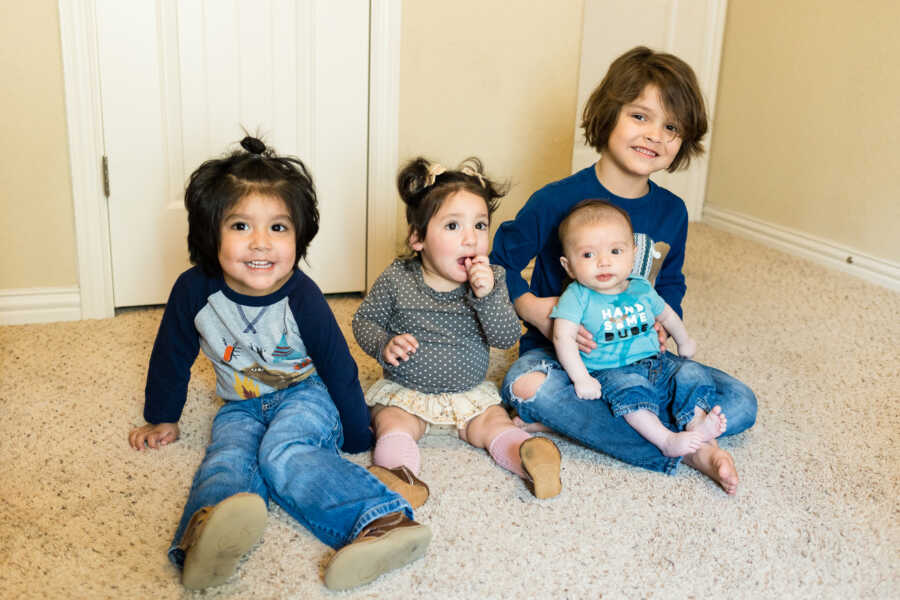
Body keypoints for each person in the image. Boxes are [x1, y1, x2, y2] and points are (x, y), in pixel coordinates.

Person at [128, 137, 431, 592]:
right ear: (209, 233)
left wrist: (355, 434)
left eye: (278, 228)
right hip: (239, 404)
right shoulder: (193, 291)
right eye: (240, 226)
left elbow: (337, 364)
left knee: (283, 452)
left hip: (305, 394)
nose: (260, 244)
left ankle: (382, 519)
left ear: (300, 236)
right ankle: (204, 537)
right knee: (227, 458)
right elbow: (171, 352)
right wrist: (163, 416)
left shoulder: (302, 296)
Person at [490, 46, 757, 495]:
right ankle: (688, 447)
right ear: (608, 115)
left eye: (671, 127)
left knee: (741, 403)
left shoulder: (672, 211)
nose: (655, 135)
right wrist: (535, 310)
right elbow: (500, 264)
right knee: (525, 386)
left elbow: (669, 282)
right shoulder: (555, 200)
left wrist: (664, 326)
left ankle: (588, 425)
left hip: (641, 360)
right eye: (640, 117)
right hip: (561, 360)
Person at [352, 157, 563, 506]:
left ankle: (529, 457)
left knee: (493, 424)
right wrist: (384, 343)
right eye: (453, 226)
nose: (471, 239)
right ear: (418, 238)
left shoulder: (491, 280)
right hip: (407, 390)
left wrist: (486, 297)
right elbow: (364, 321)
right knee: (391, 423)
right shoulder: (398, 278)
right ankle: (399, 476)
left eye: (480, 225)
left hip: (469, 394)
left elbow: (506, 336)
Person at [552, 200, 727, 458]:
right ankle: (666, 439)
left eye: (615, 251)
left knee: (692, 372)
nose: (603, 262)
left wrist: (683, 339)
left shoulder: (641, 286)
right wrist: (581, 378)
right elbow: (562, 336)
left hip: (657, 362)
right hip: (612, 371)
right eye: (588, 255)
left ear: (633, 254)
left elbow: (666, 315)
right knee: (631, 392)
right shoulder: (577, 295)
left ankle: (696, 423)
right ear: (568, 266)